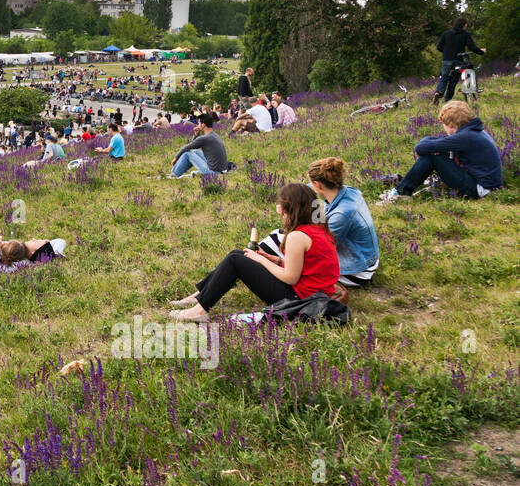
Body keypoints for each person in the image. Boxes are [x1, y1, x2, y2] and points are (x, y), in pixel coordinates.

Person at [168, 183, 339, 322]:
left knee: (235, 260)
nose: (283, 218)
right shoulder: (319, 229)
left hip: (298, 299)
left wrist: (260, 260)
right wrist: (271, 258)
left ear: (293, 210)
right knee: (238, 254)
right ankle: (200, 296)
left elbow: (291, 277)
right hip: (313, 295)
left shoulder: (297, 236)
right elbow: (307, 267)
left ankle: (199, 310)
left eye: (284, 213)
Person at [258, 158, 379, 295]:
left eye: (311, 183)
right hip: (365, 258)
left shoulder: (342, 214)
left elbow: (320, 246)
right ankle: (256, 262)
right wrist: (287, 203)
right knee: (280, 236)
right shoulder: (347, 192)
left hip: (358, 270)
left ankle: (255, 267)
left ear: (318, 185)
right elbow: (304, 192)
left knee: (279, 240)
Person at [379, 101, 503, 204]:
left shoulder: (464, 137)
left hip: (480, 189)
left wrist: (434, 144)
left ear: (452, 125)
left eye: (444, 124)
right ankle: (403, 188)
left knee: (431, 157)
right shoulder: (474, 132)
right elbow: (431, 144)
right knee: (436, 153)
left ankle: (401, 192)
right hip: (487, 185)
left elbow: (420, 148)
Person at [433, 17, 485, 104]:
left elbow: (439, 47)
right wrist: (481, 52)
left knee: (444, 77)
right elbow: (472, 48)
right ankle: (447, 100)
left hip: (446, 60)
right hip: (458, 61)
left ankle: (439, 92)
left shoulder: (446, 34)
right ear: (464, 25)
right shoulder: (465, 34)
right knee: (453, 81)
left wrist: (446, 52)